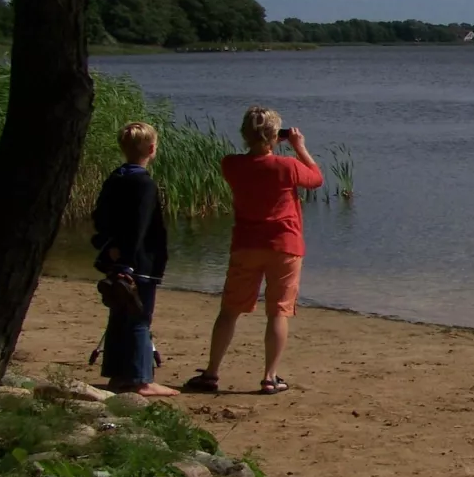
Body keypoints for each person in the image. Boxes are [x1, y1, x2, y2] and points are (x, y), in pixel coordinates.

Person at [184, 107, 323, 395]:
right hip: (284, 245)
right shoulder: (287, 166)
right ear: (275, 136)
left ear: (244, 135)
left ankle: (211, 373)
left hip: (246, 245)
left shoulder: (231, 164)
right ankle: (269, 377)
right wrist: (299, 146)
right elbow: (316, 178)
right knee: (278, 312)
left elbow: (256, 165)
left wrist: (269, 146)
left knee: (230, 311)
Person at [91, 122, 177, 397]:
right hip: (139, 262)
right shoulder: (144, 182)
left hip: (118, 256)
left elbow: (100, 217)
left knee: (119, 315)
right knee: (140, 317)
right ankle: (141, 379)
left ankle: (118, 375)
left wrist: (108, 246)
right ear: (152, 149)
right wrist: (128, 259)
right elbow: (139, 225)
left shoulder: (116, 176)